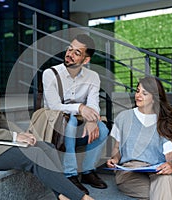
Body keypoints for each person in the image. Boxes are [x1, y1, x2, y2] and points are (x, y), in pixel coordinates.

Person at [0, 12, 94, 200]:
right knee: (31, 155)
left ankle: (62, 196)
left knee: (46, 147)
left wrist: (23, 135)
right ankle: (81, 198)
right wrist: (14, 137)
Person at [42, 34, 109, 194]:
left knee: (103, 129)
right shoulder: (50, 73)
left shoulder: (93, 76)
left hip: (79, 118)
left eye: (76, 53)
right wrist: (80, 108)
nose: (69, 54)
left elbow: (93, 103)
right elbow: (54, 106)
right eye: (69, 49)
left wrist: (92, 121)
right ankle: (70, 174)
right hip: (54, 120)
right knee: (71, 123)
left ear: (86, 60)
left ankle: (87, 171)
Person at [106, 76, 172, 200]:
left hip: (155, 170)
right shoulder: (123, 117)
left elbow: (170, 154)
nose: (138, 95)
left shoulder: (163, 122)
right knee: (163, 188)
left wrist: (171, 164)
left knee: (164, 179)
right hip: (129, 171)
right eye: (137, 91)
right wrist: (114, 159)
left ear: (154, 98)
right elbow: (117, 147)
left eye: (144, 93)